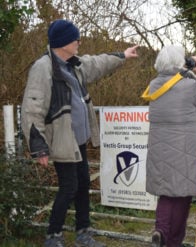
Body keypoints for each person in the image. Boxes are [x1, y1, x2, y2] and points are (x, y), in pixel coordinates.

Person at [21, 19, 138, 247]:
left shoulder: (73, 64)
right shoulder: (43, 68)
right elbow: (32, 109)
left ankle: (83, 234)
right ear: (63, 42)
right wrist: (39, 146)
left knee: (83, 184)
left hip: (80, 140)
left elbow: (97, 63)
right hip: (63, 142)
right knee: (69, 188)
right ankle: (53, 237)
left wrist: (123, 55)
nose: (79, 42)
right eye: (76, 38)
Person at [143, 45, 196, 247]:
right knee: (182, 196)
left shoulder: (153, 86)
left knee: (166, 193)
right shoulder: (188, 86)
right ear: (179, 63)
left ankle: (160, 230)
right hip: (184, 151)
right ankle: (173, 241)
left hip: (159, 149)